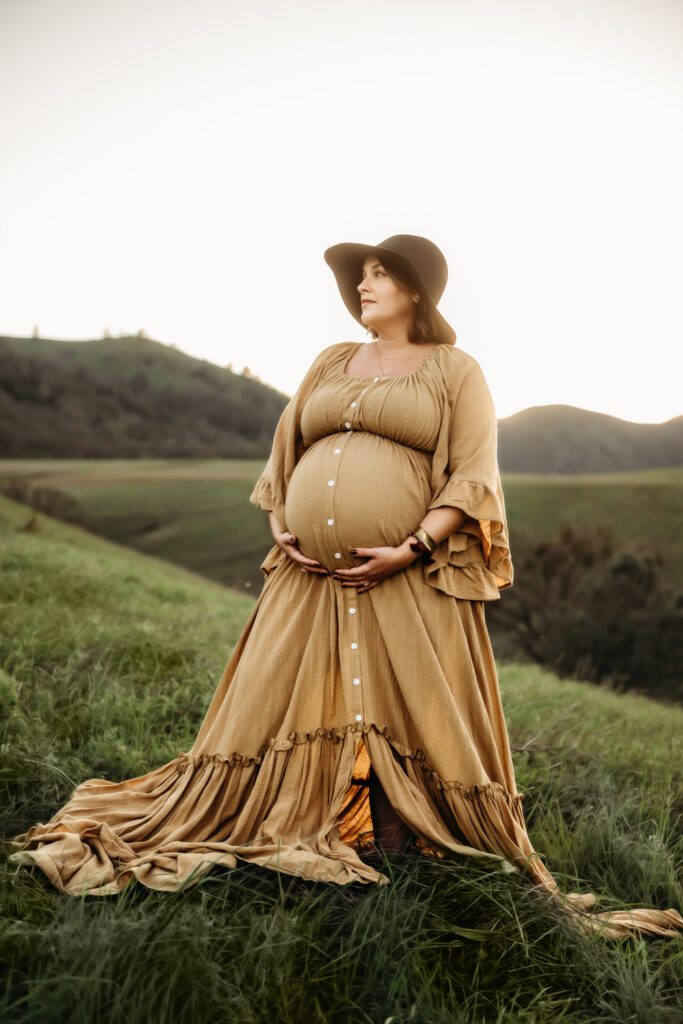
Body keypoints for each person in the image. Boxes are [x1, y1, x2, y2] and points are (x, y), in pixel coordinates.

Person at [8, 235, 683, 941]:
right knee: (283, 703)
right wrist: (280, 519)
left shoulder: (455, 370)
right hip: (308, 579)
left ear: (416, 290)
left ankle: (407, 844)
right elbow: (287, 448)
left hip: (408, 576)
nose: (363, 286)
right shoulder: (331, 361)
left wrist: (411, 546)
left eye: (379, 274)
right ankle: (300, 820)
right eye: (359, 277)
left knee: (411, 706)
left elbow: (472, 475)